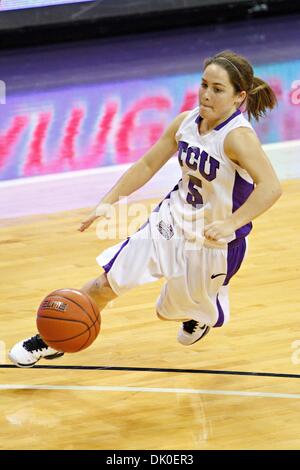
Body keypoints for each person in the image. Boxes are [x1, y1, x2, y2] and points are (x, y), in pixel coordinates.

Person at [9, 50, 282, 368]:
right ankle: (52, 339)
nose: (206, 94)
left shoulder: (238, 138)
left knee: (172, 310)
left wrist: (231, 223)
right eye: (204, 84)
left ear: (239, 97)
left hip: (213, 242)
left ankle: (205, 306)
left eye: (217, 89)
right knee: (104, 284)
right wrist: (108, 201)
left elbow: (271, 187)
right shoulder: (186, 122)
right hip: (170, 221)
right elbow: (149, 162)